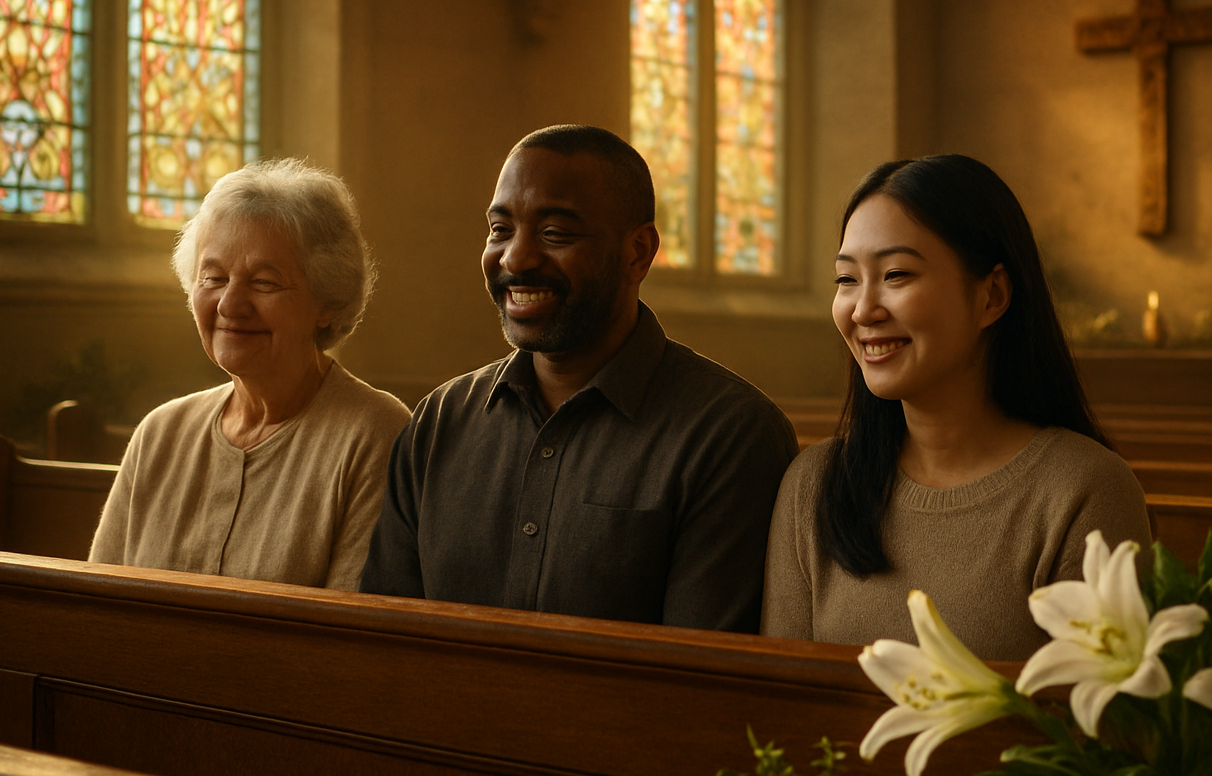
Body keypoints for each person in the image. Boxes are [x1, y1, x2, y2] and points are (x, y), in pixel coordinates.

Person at [360, 125, 797, 632]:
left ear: (638, 252)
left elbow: (699, 681)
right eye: (500, 230)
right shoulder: (440, 421)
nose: (516, 258)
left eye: (555, 235)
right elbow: (386, 635)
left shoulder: (729, 434)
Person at [761, 155, 1149, 660]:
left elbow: (1097, 727)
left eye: (896, 274)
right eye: (846, 279)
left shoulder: (1084, 492)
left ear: (992, 296)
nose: (862, 310)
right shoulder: (814, 485)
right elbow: (779, 704)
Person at [89, 160, 411, 590]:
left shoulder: (375, 433)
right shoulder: (160, 433)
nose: (229, 304)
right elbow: (97, 604)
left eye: (263, 282)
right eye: (214, 277)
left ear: (327, 301)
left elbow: (345, 639)